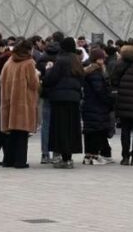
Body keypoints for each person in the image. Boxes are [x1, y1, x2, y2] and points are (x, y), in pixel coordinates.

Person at [42, 36, 84, 169]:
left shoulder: (60, 61)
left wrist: (48, 69)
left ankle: (63, 158)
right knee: (72, 128)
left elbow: (51, 79)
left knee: (61, 128)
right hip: (74, 99)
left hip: (60, 99)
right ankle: (69, 158)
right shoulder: (77, 61)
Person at [0, 38, 40, 169]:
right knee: (22, 133)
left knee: (11, 133)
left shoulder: (9, 61)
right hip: (23, 103)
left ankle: (8, 160)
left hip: (9, 101)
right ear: (28, 49)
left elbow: (0, 80)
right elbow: (34, 84)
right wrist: (38, 75)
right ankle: (20, 161)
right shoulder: (29, 63)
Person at [81, 48, 113, 166]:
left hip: (89, 105)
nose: (103, 61)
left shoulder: (88, 70)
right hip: (97, 106)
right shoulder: (96, 72)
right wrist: (109, 101)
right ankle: (94, 156)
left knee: (89, 131)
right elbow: (99, 90)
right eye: (101, 58)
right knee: (96, 131)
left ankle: (88, 156)